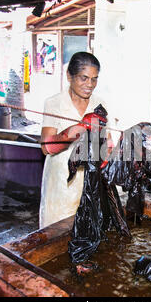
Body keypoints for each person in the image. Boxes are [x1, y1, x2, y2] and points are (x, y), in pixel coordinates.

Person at [39, 51, 112, 229]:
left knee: (88, 234)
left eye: (94, 79)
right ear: (69, 76)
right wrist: (74, 131)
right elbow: (45, 148)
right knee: (56, 234)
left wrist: (109, 155)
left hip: (90, 184)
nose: (90, 85)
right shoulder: (54, 103)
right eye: (84, 78)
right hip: (61, 183)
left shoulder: (100, 104)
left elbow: (107, 144)